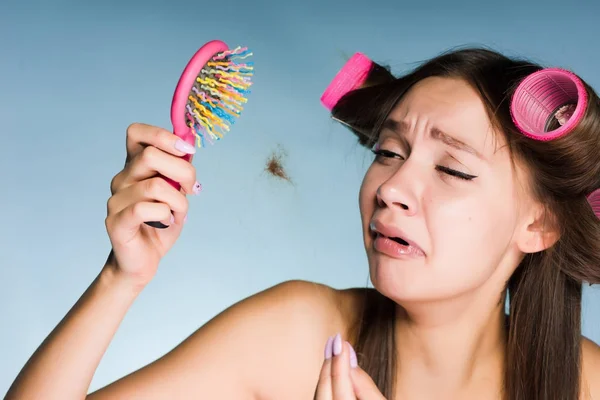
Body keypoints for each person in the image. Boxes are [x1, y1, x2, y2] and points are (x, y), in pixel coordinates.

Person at [7, 47, 600, 400]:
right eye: (388, 154)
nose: (391, 189)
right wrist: (121, 278)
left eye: (452, 169)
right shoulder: (300, 335)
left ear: (540, 224)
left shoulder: (587, 383)